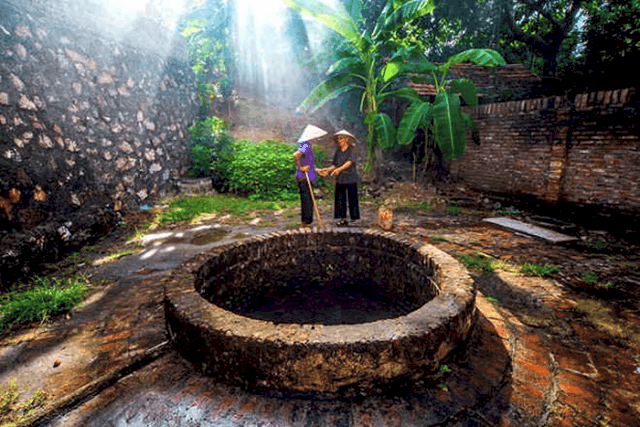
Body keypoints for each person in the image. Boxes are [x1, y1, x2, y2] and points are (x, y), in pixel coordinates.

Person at [318, 130, 360, 226]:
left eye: (341, 138)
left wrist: (339, 169)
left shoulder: (352, 150)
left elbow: (349, 162)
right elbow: (335, 164)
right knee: (340, 198)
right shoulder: (338, 150)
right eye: (338, 138)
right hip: (340, 178)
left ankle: (354, 218)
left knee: (352, 197)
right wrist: (327, 169)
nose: (339, 140)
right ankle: (342, 218)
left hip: (350, 177)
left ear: (346, 139)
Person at [292, 124, 327, 228]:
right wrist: (300, 167)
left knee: (308, 199)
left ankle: (307, 222)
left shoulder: (307, 145)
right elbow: (295, 155)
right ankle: (305, 222)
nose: (317, 139)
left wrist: (317, 170)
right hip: (303, 177)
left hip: (308, 175)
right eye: (315, 137)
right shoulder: (305, 144)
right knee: (307, 199)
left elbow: (309, 163)